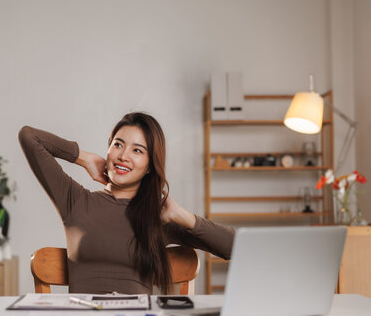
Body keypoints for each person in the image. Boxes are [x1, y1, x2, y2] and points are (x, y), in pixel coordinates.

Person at [19, 112, 235, 294]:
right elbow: (29, 137)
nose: (123, 156)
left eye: (137, 150)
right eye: (118, 145)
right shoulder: (75, 201)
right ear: (108, 149)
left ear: (150, 166)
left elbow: (235, 246)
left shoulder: (159, 217)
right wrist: (83, 158)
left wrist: (181, 215)